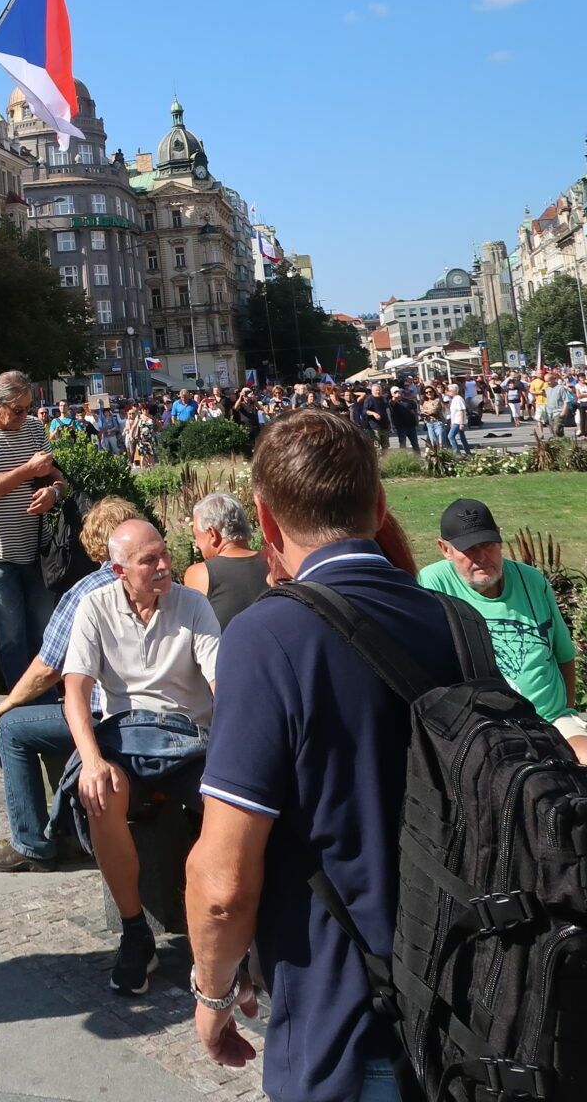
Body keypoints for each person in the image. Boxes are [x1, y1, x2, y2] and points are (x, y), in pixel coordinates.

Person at [185, 407, 464, 1102]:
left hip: (346, 1025)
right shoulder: (459, 625)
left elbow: (221, 885)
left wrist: (212, 995)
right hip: (472, 1011)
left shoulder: (269, 638)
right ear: (378, 502)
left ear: (267, 520)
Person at [61, 519, 219, 994]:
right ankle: (136, 933)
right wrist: (90, 760)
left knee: (230, 802)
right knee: (100, 793)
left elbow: (223, 683)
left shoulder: (193, 605)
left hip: (190, 738)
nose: (164, 565)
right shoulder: (95, 606)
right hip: (125, 739)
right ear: (119, 570)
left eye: (164, 553)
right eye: (149, 560)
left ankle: (223, 934)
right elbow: (75, 692)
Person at [0, 494, 139, 873]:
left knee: (14, 729)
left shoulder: (86, 591)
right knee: (61, 712)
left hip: (107, 717)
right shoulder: (162, 579)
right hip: (150, 713)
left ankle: (31, 844)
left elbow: (47, 668)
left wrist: (8, 703)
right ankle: (67, 831)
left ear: (94, 543)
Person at [418, 498, 587, 761]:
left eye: (488, 544)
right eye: (469, 549)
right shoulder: (434, 584)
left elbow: (564, 654)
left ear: (499, 539)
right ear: (445, 549)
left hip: (551, 719)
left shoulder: (533, 581)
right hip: (486, 730)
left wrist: (566, 709)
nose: (482, 557)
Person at [0, 371, 67, 692]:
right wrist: (26, 470)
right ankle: (21, 706)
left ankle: (48, 704)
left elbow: (55, 475)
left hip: (38, 548)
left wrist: (54, 492)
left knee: (46, 632)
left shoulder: (33, 427)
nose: (26, 415)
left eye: (29, 407)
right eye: (18, 409)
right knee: (12, 636)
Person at [183, 493, 268, 627]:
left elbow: (189, 629)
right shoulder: (274, 564)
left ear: (212, 534)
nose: (196, 544)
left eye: (196, 536)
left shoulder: (201, 573)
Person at [387, 387, 419, 454]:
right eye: (395, 392)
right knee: (403, 444)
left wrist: (417, 420)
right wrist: (395, 397)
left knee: (415, 444)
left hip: (411, 425)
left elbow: (415, 412)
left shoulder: (409, 401)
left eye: (398, 392)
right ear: (392, 394)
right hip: (401, 426)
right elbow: (392, 403)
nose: (398, 393)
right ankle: (404, 460)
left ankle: (418, 459)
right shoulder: (392, 402)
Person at [446, 383, 471, 456]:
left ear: (453, 391)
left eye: (448, 390)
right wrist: (452, 422)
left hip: (458, 421)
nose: (447, 392)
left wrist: (462, 423)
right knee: (462, 437)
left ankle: (456, 451)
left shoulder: (458, 398)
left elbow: (462, 411)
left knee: (450, 436)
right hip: (455, 421)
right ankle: (467, 452)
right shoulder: (454, 399)